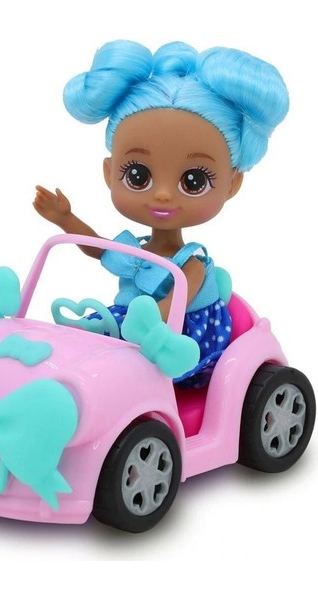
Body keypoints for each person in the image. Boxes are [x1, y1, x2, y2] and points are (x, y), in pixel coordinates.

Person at [33, 40, 289, 386]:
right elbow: (98, 248)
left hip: (178, 335)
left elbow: (177, 301)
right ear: (109, 172)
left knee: (132, 359)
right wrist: (65, 218)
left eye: (193, 180)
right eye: (137, 175)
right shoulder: (134, 251)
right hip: (134, 324)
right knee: (90, 345)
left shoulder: (192, 263)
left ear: (232, 183)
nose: (164, 194)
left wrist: (151, 322)